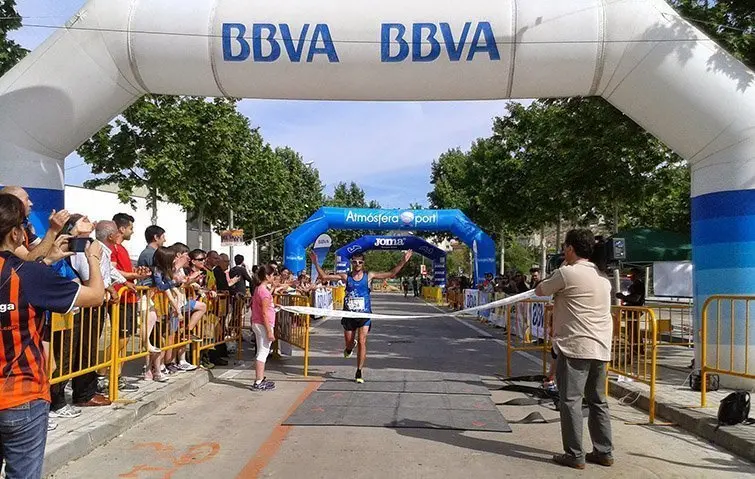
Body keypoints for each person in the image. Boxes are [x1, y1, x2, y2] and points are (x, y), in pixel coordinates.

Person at [0, 194, 105, 479]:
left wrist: (47, 260)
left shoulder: (30, 273)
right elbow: (95, 296)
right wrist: (93, 259)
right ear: (16, 233)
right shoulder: (28, 275)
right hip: (21, 394)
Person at [536, 229, 614, 469]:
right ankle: (604, 451)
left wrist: (555, 270)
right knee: (598, 400)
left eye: (564, 247)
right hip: (600, 347)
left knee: (570, 400)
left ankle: (574, 454)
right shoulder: (603, 278)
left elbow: (541, 289)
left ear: (570, 248)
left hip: (575, 346)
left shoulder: (567, 274)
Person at [309, 249, 413, 384]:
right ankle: (350, 347)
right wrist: (316, 262)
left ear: (363, 264)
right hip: (349, 314)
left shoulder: (369, 275)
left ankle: (359, 371)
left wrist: (403, 261)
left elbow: (392, 273)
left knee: (362, 341)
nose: (357, 264)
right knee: (349, 343)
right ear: (352, 263)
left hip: (364, 314)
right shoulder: (346, 276)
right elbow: (324, 277)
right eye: (355, 262)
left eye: (360, 262)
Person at [250, 265, 277, 391]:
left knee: (262, 351)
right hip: (263, 324)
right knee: (263, 352)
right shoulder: (264, 293)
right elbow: (265, 313)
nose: (274, 277)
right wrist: (269, 331)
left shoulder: (259, 289)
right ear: (267, 276)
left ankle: (259, 379)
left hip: (257, 322)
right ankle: (258, 381)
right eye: (273, 275)